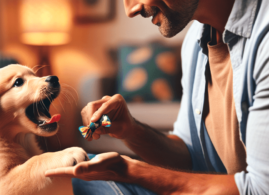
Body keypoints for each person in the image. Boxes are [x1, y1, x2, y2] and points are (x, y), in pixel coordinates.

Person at [45, 0, 269, 194]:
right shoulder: (195, 41)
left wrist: (136, 171)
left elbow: (261, 189)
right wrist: (131, 130)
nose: (130, 9)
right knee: (76, 172)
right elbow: (189, 157)